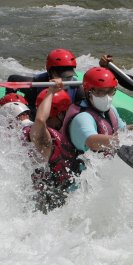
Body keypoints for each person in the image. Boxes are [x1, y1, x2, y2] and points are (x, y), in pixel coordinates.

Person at [60, 67, 133, 162]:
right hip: (81, 175)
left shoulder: (111, 109)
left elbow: (122, 131)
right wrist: (127, 140)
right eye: (100, 92)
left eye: (110, 91)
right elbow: (92, 142)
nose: (106, 97)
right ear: (87, 91)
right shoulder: (82, 117)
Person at [27, 79, 81, 212]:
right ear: (62, 113)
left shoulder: (67, 132)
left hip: (64, 199)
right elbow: (40, 120)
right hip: (48, 206)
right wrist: (51, 92)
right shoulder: (44, 139)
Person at [6, 49, 85, 119]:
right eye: (61, 74)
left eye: (69, 74)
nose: (65, 79)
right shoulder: (35, 85)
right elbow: (11, 79)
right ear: (49, 72)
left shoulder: (77, 88)